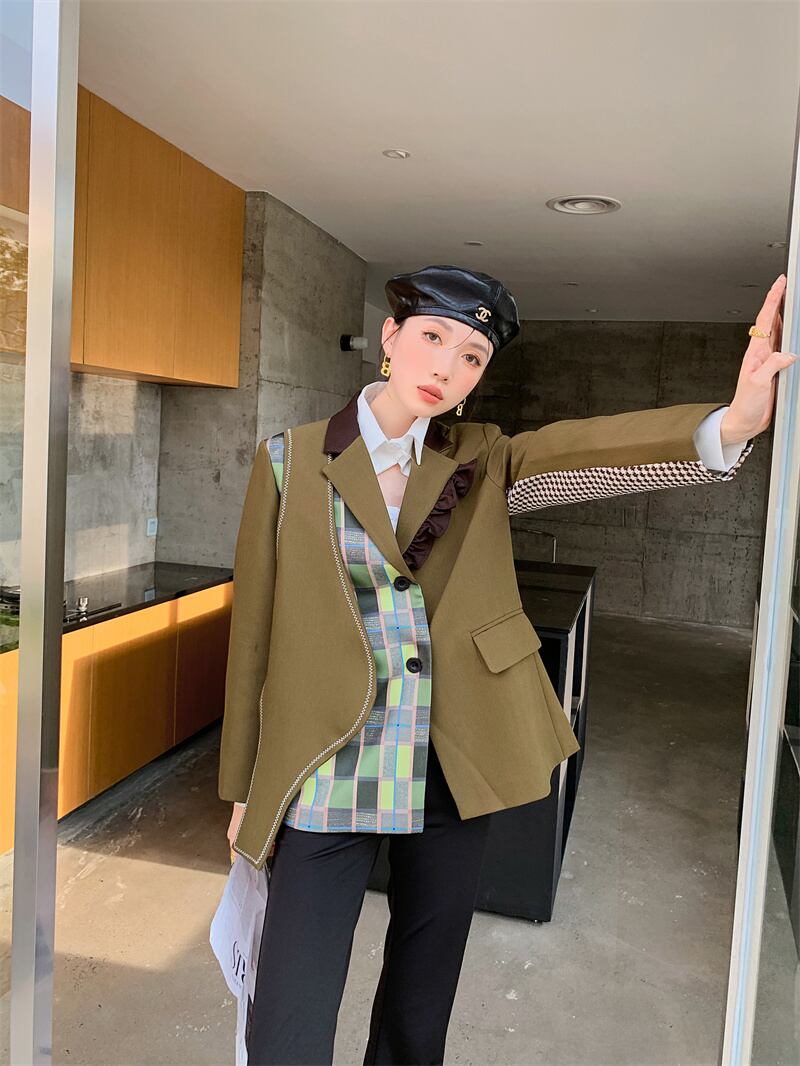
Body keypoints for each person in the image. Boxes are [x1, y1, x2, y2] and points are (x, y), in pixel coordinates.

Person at [218, 265, 793, 1065]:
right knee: (288, 1010)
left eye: (472, 357)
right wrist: (246, 786)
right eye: (432, 338)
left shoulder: (480, 457)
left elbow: (580, 451)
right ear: (390, 337)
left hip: (451, 757)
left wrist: (730, 423)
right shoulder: (289, 459)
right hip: (326, 762)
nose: (446, 368)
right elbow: (254, 634)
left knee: (421, 1000)